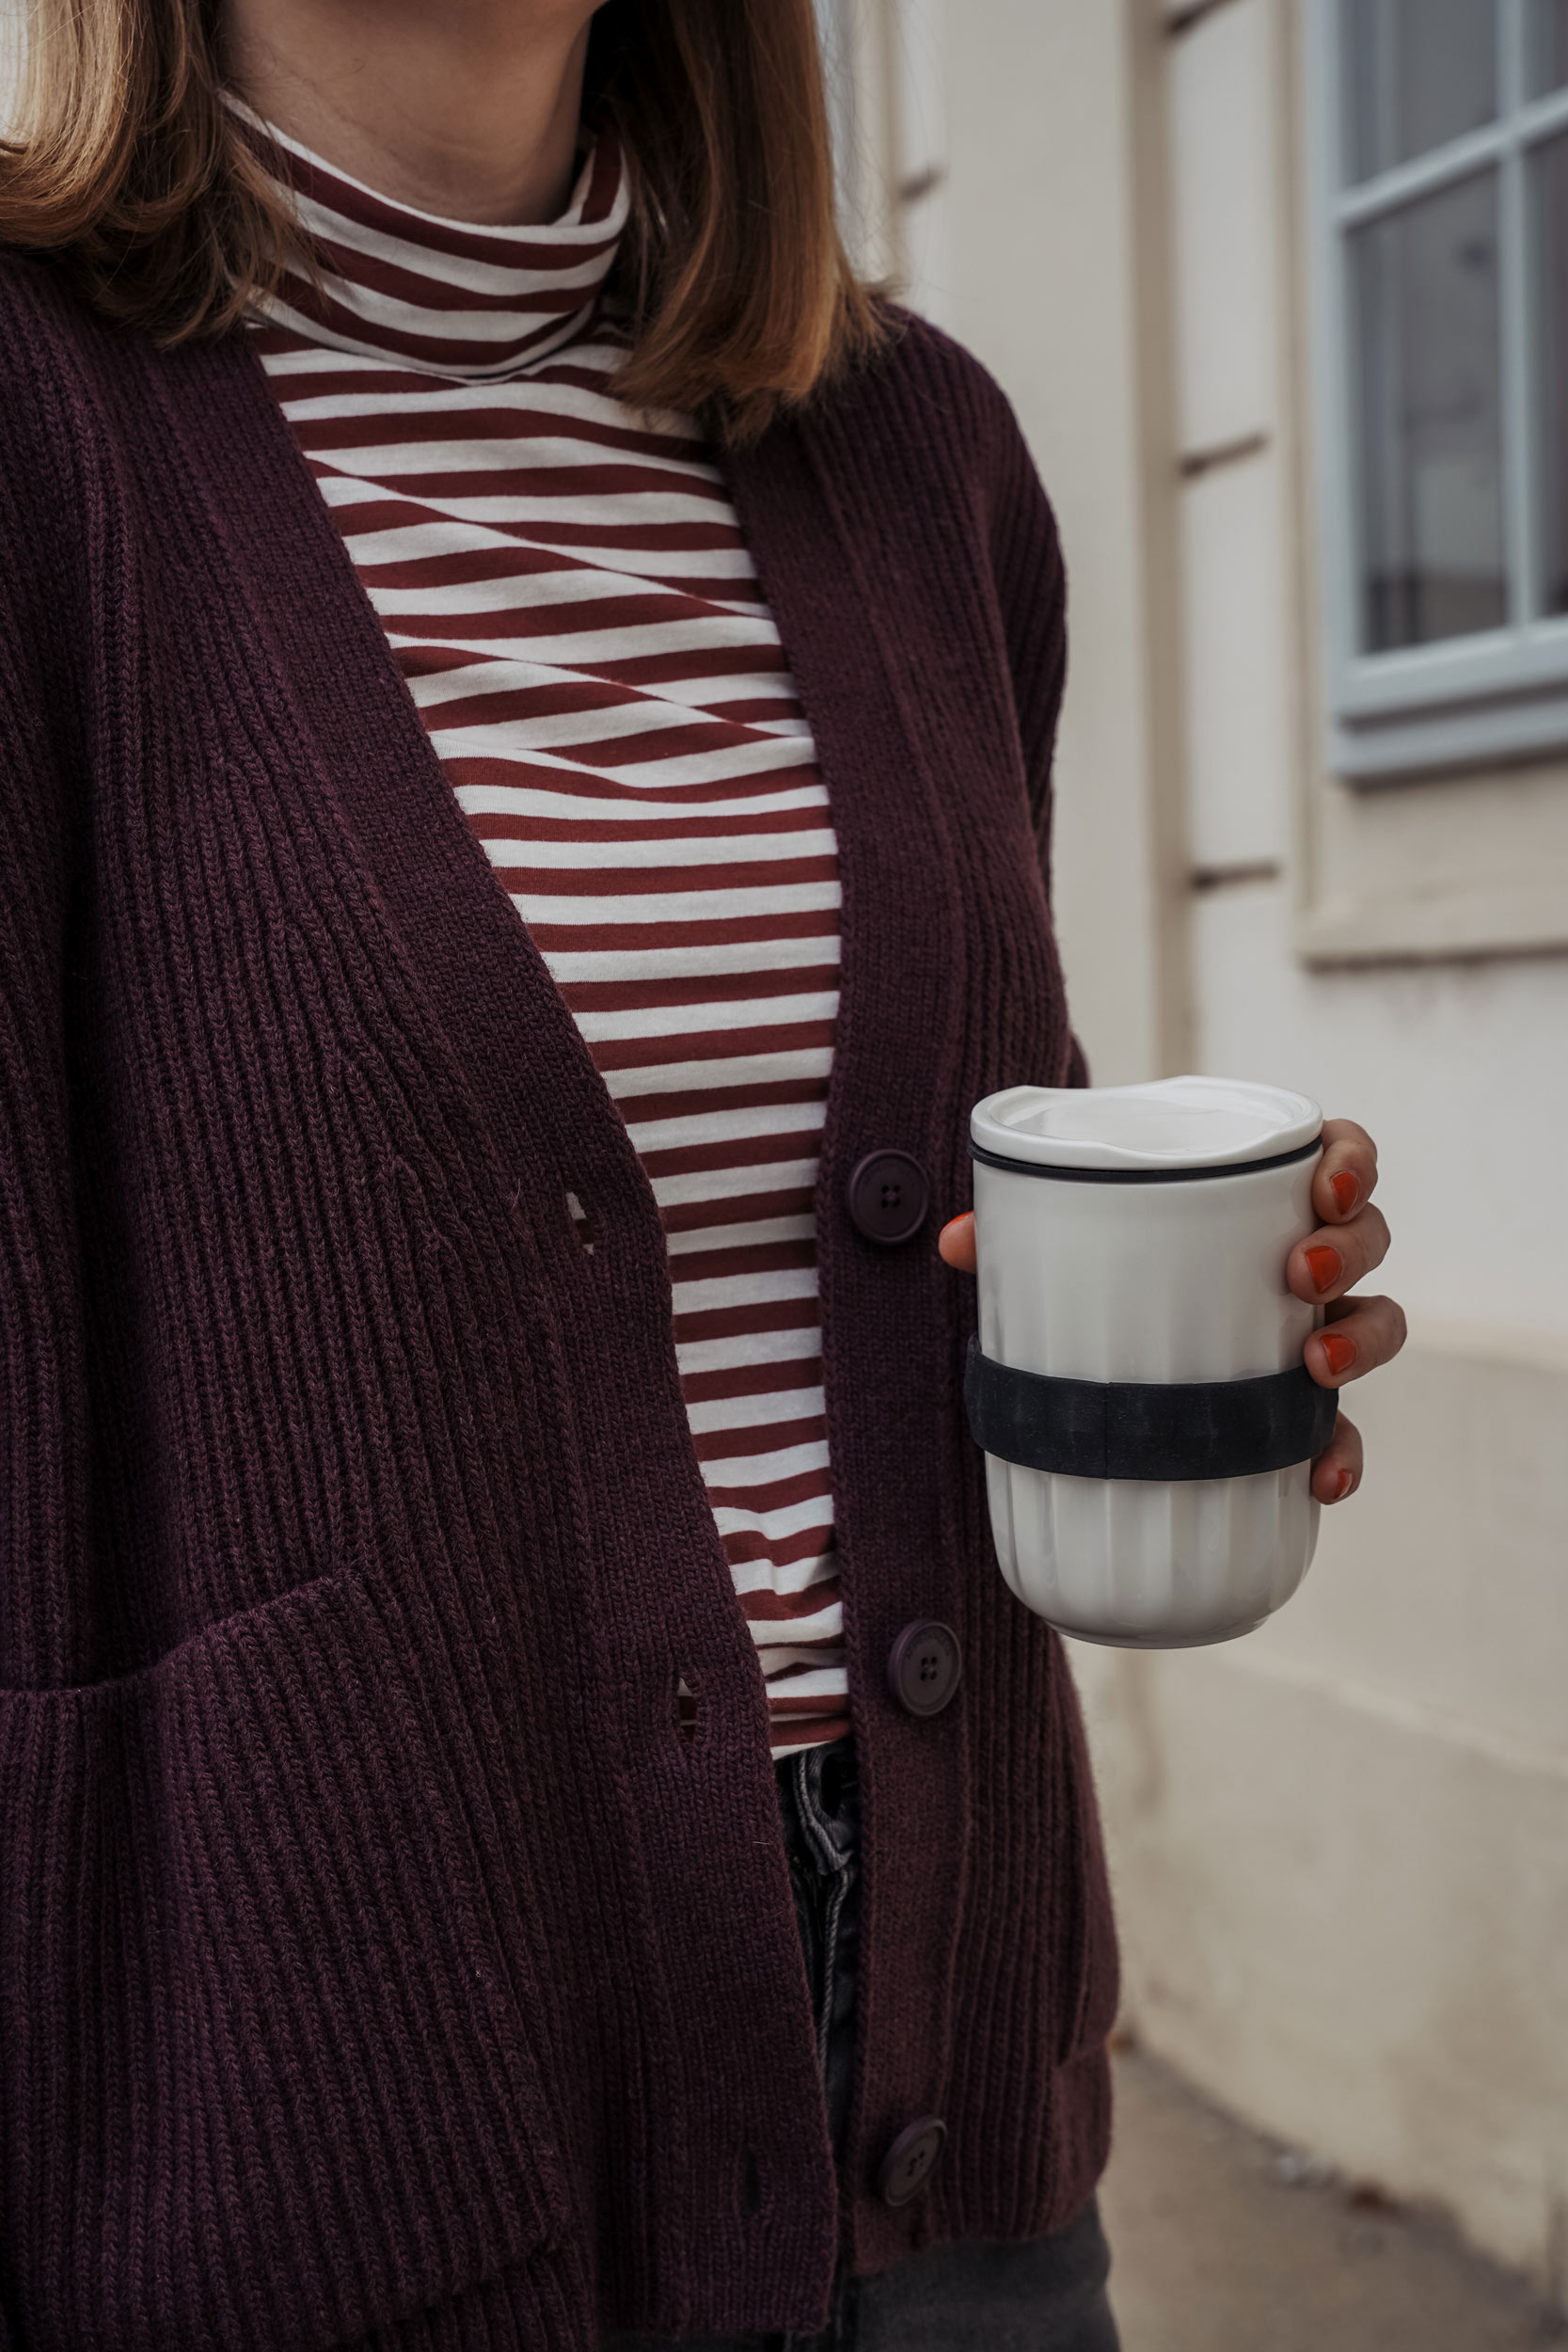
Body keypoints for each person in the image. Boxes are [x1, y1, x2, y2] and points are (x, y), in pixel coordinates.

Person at [0, 3, 1406, 2345]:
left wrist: (1185, 1324)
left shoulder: (919, 449)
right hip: (338, 2107)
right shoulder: (43, 435)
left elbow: (940, 1167)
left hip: (945, 2080)